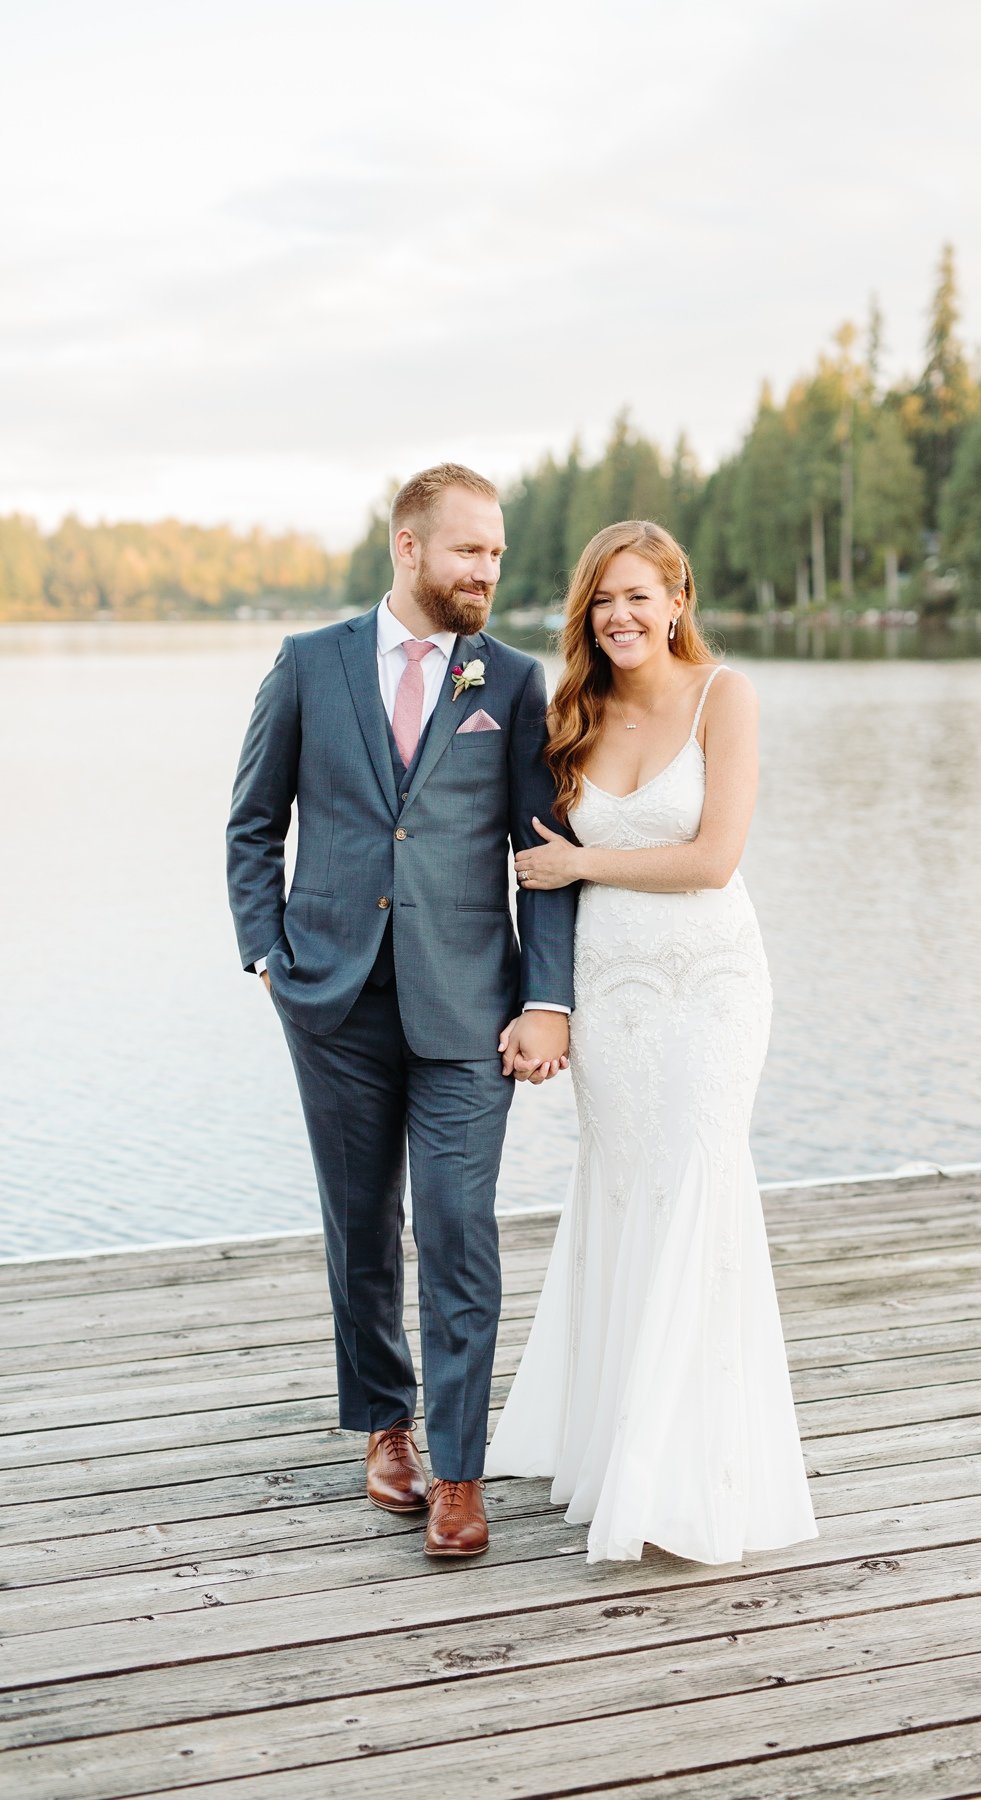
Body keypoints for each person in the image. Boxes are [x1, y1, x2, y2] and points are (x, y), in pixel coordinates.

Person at [226, 463, 576, 1559]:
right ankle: (388, 1426)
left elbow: (546, 863)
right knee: (362, 1227)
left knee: (461, 1232)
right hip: (330, 998)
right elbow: (251, 826)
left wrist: (548, 999)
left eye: (499, 553)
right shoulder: (308, 665)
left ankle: (461, 1472)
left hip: (471, 1005)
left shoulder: (514, 683)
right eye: (469, 550)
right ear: (410, 548)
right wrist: (269, 959)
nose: (488, 571)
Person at [485, 519, 818, 1564]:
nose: (620, 616)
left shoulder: (728, 697)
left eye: (639, 596)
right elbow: (523, 851)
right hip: (612, 990)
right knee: (626, 1187)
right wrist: (548, 997)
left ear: (678, 598)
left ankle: (694, 1475)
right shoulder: (570, 714)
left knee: (697, 1181)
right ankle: (620, 1450)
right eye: (602, 600)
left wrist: (583, 868)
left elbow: (715, 857)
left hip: (712, 981)